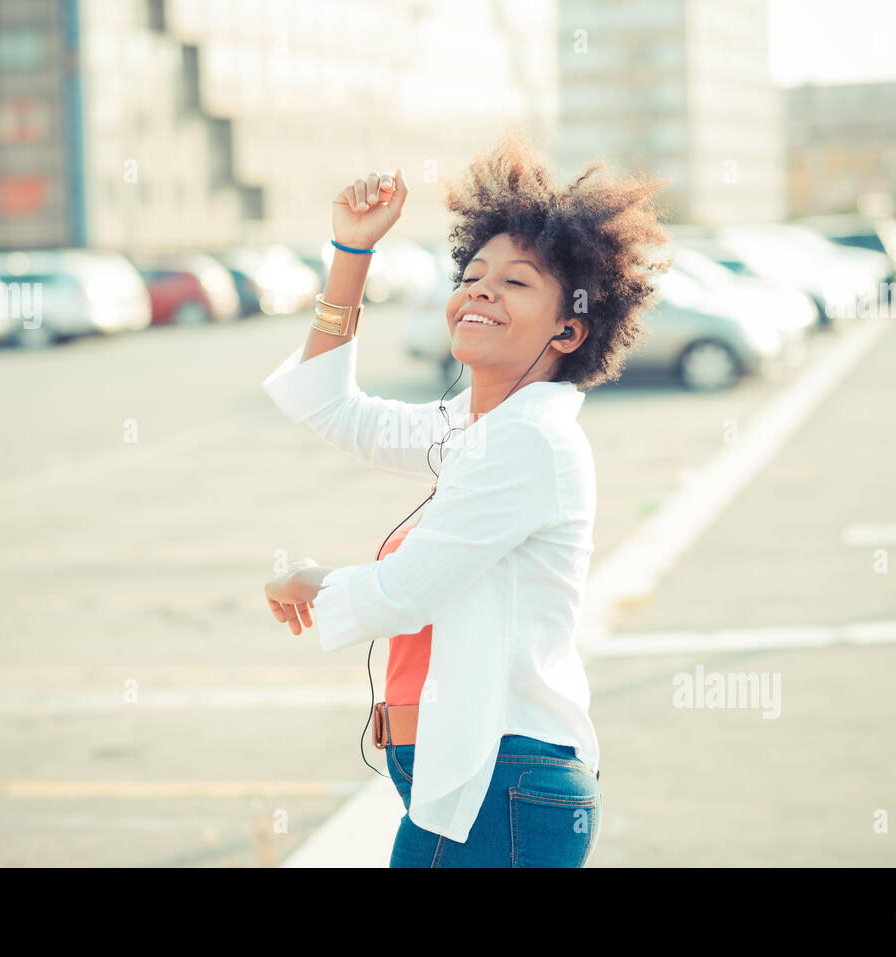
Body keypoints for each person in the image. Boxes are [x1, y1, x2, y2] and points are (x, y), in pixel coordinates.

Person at [261, 128, 670, 866]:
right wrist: (352, 255)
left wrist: (311, 582)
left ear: (570, 328)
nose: (479, 289)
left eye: (516, 282)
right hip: (480, 781)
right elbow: (331, 408)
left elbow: (404, 593)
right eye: (472, 275)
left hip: (504, 782)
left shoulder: (527, 442)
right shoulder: (478, 429)